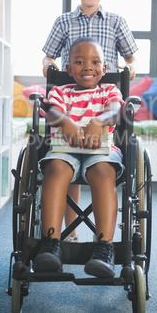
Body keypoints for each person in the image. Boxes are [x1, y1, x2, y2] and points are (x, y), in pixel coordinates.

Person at [42, 0, 137, 241]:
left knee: (99, 166)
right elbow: (48, 55)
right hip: (70, 98)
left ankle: (102, 241)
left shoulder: (116, 22)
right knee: (64, 165)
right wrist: (47, 64)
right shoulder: (63, 22)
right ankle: (67, 234)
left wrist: (131, 67)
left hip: (105, 98)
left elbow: (131, 57)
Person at [34, 38, 125, 278]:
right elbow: (52, 111)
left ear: (104, 69)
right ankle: (51, 244)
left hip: (101, 151)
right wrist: (65, 121)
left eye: (95, 62)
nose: (88, 66)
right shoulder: (60, 91)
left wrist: (99, 121)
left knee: (104, 173)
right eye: (80, 62)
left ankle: (104, 248)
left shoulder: (109, 91)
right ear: (69, 69)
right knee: (55, 169)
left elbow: (115, 111)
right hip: (65, 150)